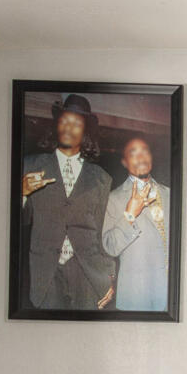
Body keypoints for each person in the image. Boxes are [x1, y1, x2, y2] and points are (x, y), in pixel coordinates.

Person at [21, 93, 116, 310]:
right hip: (44, 274)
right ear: (56, 125)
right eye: (64, 120)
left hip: (89, 274)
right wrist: (22, 193)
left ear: (85, 132)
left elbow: (103, 232)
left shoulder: (102, 178)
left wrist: (110, 276)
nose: (68, 127)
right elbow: (16, 223)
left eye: (76, 123)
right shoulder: (29, 166)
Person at [101, 135, 171, 311]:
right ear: (125, 162)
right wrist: (130, 215)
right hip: (138, 296)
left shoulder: (170, 194)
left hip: (171, 296)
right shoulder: (114, 198)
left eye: (145, 151)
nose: (141, 157)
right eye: (133, 153)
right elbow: (109, 246)